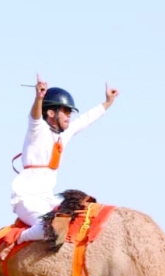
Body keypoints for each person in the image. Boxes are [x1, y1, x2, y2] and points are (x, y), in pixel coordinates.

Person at [12, 75, 118, 245]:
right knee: (50, 229)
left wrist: (107, 102)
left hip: (48, 199)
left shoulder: (63, 134)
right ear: (51, 113)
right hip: (27, 199)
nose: (69, 116)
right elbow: (34, 118)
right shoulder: (38, 131)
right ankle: (17, 239)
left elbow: (85, 120)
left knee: (82, 210)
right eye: (66, 111)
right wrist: (39, 98)